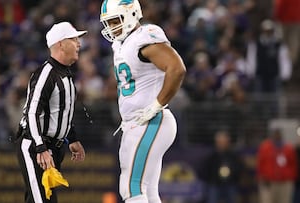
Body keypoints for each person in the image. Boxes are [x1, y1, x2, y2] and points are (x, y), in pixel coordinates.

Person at [99, 0, 187, 202]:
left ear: (131, 14)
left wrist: (156, 104)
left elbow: (176, 68)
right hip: (135, 123)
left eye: (115, 21)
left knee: (131, 187)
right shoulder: (120, 44)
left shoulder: (144, 36)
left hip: (150, 120)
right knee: (148, 190)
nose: (112, 27)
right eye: (109, 23)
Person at [15, 22, 86, 203]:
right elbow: (31, 113)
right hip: (36, 146)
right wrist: (40, 148)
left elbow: (62, 112)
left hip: (53, 147)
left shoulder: (66, 74)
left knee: (40, 198)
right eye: (74, 39)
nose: (79, 44)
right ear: (60, 44)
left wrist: (73, 137)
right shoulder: (46, 73)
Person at [200, 130, 243, 203]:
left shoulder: (233, 156)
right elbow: (204, 170)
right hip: (215, 185)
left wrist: (234, 177)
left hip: (230, 184)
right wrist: (211, 179)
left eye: (224, 141)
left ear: (228, 142)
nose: (222, 144)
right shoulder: (212, 157)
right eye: (220, 142)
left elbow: (239, 168)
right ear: (216, 142)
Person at [256, 128, 297, 203]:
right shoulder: (265, 147)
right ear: (271, 136)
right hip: (268, 182)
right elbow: (260, 164)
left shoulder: (289, 148)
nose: (277, 136)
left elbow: (293, 165)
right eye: (275, 134)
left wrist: (290, 178)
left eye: (278, 134)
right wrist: (262, 177)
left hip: (285, 183)